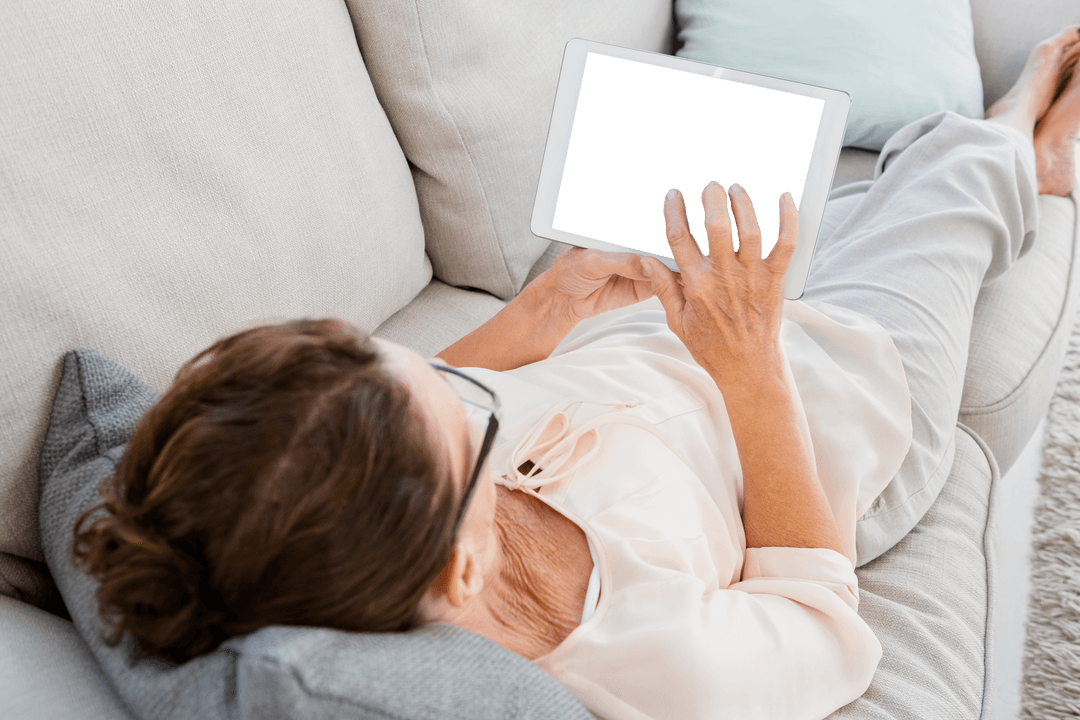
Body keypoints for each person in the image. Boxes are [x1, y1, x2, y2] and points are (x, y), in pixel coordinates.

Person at [72, 27, 1080, 720]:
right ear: (460, 569)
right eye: (474, 421)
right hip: (832, 406)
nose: (464, 388)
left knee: (842, 202)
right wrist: (750, 362)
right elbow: (820, 620)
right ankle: (1024, 133)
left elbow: (430, 394)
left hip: (679, 339)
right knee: (949, 186)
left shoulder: (381, 497)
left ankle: (970, 159)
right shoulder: (637, 655)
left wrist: (545, 312)